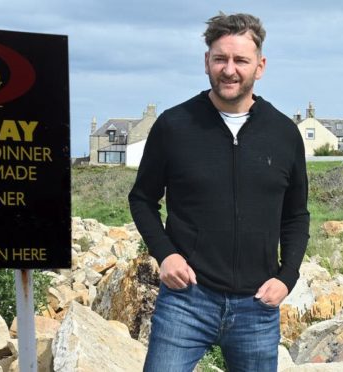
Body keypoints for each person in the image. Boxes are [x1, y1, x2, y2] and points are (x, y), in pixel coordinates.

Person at [128, 12, 309, 372]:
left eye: (241, 60)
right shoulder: (174, 125)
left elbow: (296, 215)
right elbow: (142, 199)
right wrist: (165, 255)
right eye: (220, 58)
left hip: (258, 306)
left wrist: (287, 278)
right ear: (206, 62)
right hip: (186, 301)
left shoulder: (284, 134)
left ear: (260, 66)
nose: (229, 69)